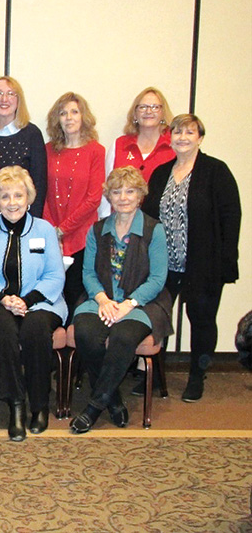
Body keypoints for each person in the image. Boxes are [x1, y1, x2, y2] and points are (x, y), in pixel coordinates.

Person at [142, 114, 241, 402]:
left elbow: (231, 217)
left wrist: (226, 261)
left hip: (203, 263)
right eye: (177, 132)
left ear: (200, 138)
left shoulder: (215, 171)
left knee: (201, 320)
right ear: (169, 137)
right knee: (156, 318)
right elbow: (149, 216)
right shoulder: (161, 173)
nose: (182, 137)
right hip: (165, 264)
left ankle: (197, 376)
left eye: (189, 132)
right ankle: (153, 376)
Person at [70, 166, 171, 434]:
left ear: (140, 195)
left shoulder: (154, 230)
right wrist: (103, 300)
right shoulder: (97, 229)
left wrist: (128, 304)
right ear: (109, 197)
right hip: (101, 298)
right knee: (86, 333)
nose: (123, 197)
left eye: (130, 191)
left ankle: (93, 407)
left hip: (142, 303)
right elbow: (88, 273)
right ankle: (113, 400)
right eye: (117, 192)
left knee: (123, 338)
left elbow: (158, 278)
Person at [0, 166, 66, 441]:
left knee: (35, 329)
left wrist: (25, 301)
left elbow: (54, 275)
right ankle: (15, 405)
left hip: (40, 303)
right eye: (5, 196)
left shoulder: (45, 229)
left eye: (18, 195)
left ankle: (39, 405)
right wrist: (2, 299)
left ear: (29, 198)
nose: (12, 202)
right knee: (2, 330)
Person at [43, 92, 105, 322]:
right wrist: (52, 231)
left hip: (82, 237)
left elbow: (94, 198)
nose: (68, 117)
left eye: (74, 112)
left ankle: (75, 354)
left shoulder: (96, 151)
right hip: (51, 236)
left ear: (83, 116)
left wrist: (63, 230)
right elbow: (43, 193)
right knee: (51, 297)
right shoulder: (48, 150)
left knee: (76, 296)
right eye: (63, 113)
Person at [0, 76, 46, 217]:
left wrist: (31, 223)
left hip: (21, 218)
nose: (4, 99)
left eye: (11, 94)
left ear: (18, 100)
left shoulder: (32, 135)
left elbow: (39, 186)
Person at [99, 87, 174, 217]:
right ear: (135, 114)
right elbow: (107, 187)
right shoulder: (119, 145)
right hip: (121, 222)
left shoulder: (174, 147)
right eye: (143, 107)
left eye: (155, 107)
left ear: (163, 113)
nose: (148, 111)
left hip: (160, 222)